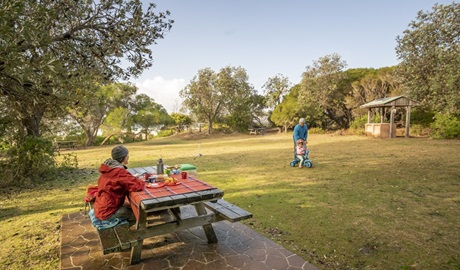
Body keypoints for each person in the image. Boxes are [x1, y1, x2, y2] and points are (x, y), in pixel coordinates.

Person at [93, 145, 145, 224]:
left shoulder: (109, 168)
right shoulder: (119, 172)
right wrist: (140, 179)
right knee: (140, 215)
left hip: (101, 207)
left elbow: (119, 181)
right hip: (108, 213)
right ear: (123, 157)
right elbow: (138, 186)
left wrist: (131, 178)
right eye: (127, 155)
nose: (128, 156)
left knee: (133, 208)